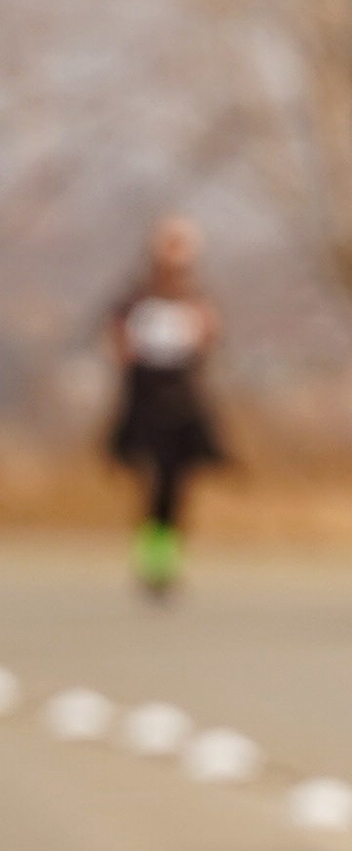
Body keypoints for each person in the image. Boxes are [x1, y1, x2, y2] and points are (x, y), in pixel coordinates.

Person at [105, 214, 226, 600]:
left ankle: (166, 560)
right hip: (146, 397)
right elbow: (120, 345)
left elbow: (205, 348)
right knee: (154, 481)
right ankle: (151, 560)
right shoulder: (136, 300)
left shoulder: (196, 302)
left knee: (177, 483)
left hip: (182, 399)